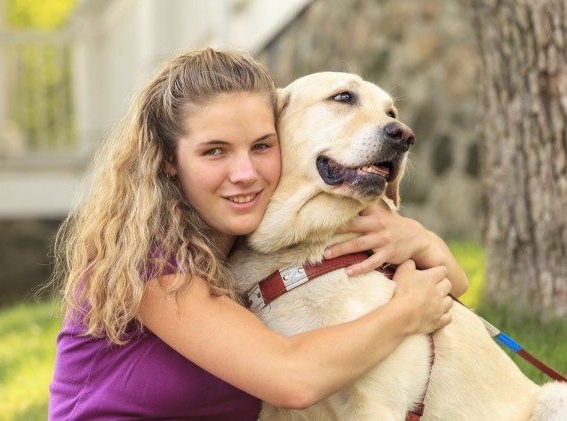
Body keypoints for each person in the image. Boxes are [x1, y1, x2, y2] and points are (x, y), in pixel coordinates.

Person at [48, 48, 468, 420]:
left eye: (262, 147)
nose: (245, 174)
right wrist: (407, 312)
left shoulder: (257, 254)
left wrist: (424, 242)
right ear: (169, 160)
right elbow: (293, 379)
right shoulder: (149, 260)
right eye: (215, 151)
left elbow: (457, 287)